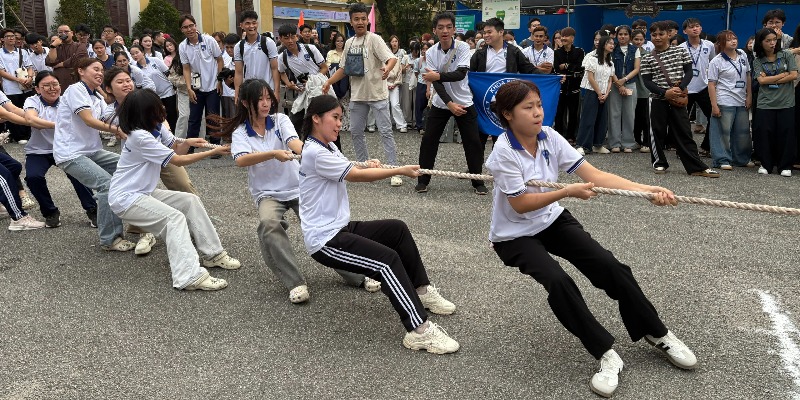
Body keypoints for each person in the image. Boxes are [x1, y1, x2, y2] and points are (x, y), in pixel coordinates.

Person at [486, 79, 697, 398]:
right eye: (527, 108)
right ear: (507, 115)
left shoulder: (550, 137)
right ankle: (605, 353)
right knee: (558, 281)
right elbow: (520, 203)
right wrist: (567, 191)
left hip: (551, 220)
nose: (537, 113)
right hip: (513, 235)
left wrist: (647, 191)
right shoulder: (503, 152)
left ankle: (657, 332)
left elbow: (595, 176)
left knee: (609, 266)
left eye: (539, 105)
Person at [298, 95, 459, 354]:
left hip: (340, 228)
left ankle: (422, 290)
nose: (340, 124)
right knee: (386, 261)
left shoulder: (326, 146)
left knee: (396, 229)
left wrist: (365, 163)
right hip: (325, 241)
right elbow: (357, 177)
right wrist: (398, 170)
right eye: (335, 118)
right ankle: (419, 330)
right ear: (316, 118)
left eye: (341, 118)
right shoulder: (315, 152)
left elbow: (349, 167)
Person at [220, 79, 378, 303]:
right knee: (268, 225)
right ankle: (295, 283)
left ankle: (357, 275)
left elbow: (296, 143)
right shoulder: (240, 133)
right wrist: (272, 154)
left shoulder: (280, 119)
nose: (266, 104)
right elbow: (241, 160)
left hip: (298, 188)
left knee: (328, 229)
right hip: (268, 194)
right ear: (246, 103)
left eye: (268, 98)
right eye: (260, 99)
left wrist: (322, 158)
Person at [109, 89, 239, 291]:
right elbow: (177, 161)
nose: (162, 108)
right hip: (126, 199)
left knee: (189, 201)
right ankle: (188, 276)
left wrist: (186, 142)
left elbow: (176, 150)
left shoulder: (156, 127)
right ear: (145, 112)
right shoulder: (139, 137)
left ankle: (213, 254)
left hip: (142, 193)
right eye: (156, 107)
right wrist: (213, 151)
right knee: (174, 218)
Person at [54, 58, 134, 251]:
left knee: (130, 167)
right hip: (71, 153)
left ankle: (137, 220)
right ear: (81, 71)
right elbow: (89, 120)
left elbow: (108, 116)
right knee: (106, 185)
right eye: (95, 69)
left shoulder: (97, 97)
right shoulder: (76, 90)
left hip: (92, 151)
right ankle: (110, 239)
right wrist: (117, 130)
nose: (100, 73)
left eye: (102, 70)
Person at [322, 3, 401, 187]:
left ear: (367, 20)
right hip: (357, 95)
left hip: (378, 94)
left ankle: (393, 170)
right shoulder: (348, 43)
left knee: (386, 132)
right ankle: (364, 169)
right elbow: (343, 69)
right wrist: (328, 81)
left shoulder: (375, 39)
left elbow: (391, 58)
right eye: (356, 19)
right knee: (356, 131)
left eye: (363, 19)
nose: (360, 22)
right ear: (351, 22)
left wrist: (387, 69)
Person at [414, 12, 491, 195]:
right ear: (434, 30)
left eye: (449, 27)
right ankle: (423, 179)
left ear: (454, 29)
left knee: (473, 142)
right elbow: (437, 84)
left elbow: (461, 74)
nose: (445, 31)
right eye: (440, 27)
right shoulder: (431, 52)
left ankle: (477, 181)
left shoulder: (463, 47)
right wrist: (449, 103)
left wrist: (437, 76)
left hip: (464, 101)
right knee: (429, 141)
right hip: (441, 103)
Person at [640, 21, 719, 177]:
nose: (657, 37)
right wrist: (664, 93)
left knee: (684, 132)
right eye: (654, 35)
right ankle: (659, 162)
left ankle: (696, 167)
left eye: (661, 34)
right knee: (656, 132)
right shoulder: (647, 58)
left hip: (679, 97)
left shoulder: (681, 52)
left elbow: (689, 72)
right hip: (657, 99)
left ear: (669, 35)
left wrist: (680, 88)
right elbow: (647, 81)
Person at [23, 70, 97, 228]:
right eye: (46, 86)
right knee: (33, 177)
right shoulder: (32, 101)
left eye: (55, 84)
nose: (52, 88)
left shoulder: (67, 100)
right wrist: (60, 126)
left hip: (66, 149)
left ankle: (93, 209)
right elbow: (31, 119)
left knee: (78, 174)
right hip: (39, 151)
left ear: (60, 86)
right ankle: (50, 212)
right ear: (37, 89)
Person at [752, 28, 798, 176]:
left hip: (786, 101)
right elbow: (761, 80)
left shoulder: (786, 54)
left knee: (786, 133)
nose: (772, 43)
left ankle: (785, 166)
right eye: (768, 41)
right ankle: (766, 164)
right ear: (761, 43)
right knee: (765, 133)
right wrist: (783, 74)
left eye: (774, 40)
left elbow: (793, 75)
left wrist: (773, 78)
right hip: (765, 102)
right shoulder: (758, 60)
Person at [707, 30, 753, 171]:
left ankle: (741, 159)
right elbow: (711, 84)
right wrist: (714, 105)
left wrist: (749, 95)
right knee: (722, 132)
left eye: (735, 38)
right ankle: (722, 159)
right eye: (729, 39)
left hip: (741, 100)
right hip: (724, 99)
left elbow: (748, 75)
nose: (733, 41)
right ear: (721, 43)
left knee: (742, 132)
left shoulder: (742, 54)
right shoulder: (717, 61)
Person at [178, 14, 223, 146]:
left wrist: (219, 81)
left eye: (191, 26)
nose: (189, 29)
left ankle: (215, 145)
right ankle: (190, 146)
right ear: (182, 30)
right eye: (185, 27)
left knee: (213, 117)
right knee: (193, 118)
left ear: (195, 25)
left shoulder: (209, 40)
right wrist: (189, 88)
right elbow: (186, 68)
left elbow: (219, 60)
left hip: (213, 86)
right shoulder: (182, 46)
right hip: (196, 87)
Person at [681, 18, 716, 155]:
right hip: (687, 88)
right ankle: (684, 149)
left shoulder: (709, 45)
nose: (695, 29)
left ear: (701, 28)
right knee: (682, 120)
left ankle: (706, 147)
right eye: (691, 27)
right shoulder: (681, 48)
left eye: (697, 26)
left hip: (704, 87)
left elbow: (713, 63)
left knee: (713, 117)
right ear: (685, 31)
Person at [575, 35, 615, 155]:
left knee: (602, 120)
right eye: (610, 43)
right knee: (588, 118)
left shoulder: (610, 63)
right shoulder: (592, 59)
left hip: (604, 94)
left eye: (613, 43)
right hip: (592, 92)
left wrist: (606, 93)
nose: (612, 45)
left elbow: (610, 80)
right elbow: (590, 78)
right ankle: (581, 145)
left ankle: (598, 144)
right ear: (603, 45)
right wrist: (599, 93)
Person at [607, 25, 641, 153]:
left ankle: (628, 143)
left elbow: (637, 68)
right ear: (616, 36)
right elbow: (609, 67)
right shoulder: (612, 48)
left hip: (630, 83)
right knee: (614, 113)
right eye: (620, 34)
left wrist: (625, 80)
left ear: (630, 36)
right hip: (614, 84)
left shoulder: (635, 49)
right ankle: (614, 143)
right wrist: (619, 84)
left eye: (625, 34)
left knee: (629, 114)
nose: (623, 36)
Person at [234, 11, 280, 101]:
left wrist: (276, 92)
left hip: (267, 91)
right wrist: (237, 93)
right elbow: (238, 72)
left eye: (254, 23)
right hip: (249, 92)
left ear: (257, 24)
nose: (251, 26)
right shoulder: (239, 46)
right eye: (247, 23)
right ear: (241, 25)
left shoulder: (268, 43)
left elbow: (275, 68)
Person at [130, 45, 177, 131]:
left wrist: (174, 86)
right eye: (132, 54)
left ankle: (175, 136)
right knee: (159, 117)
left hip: (168, 91)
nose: (135, 55)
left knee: (172, 115)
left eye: (137, 52)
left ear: (143, 52)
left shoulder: (155, 60)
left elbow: (167, 73)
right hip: (153, 97)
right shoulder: (135, 69)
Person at [0, 28, 34, 144]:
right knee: (13, 110)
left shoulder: (22, 52)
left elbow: (30, 66)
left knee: (27, 108)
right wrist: (17, 79)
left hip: (26, 86)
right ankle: (19, 136)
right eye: (8, 36)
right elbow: (2, 71)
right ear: (2, 39)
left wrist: (29, 78)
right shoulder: (0, 53)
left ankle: (30, 133)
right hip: (10, 88)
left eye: (13, 36)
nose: (11, 38)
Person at [554, 27, 585, 144]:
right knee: (559, 113)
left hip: (574, 88)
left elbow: (579, 67)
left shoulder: (579, 51)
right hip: (560, 88)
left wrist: (566, 66)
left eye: (566, 36)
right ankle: (559, 135)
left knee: (573, 113)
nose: (563, 38)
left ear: (572, 38)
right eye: (562, 36)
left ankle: (571, 136)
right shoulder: (557, 53)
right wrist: (570, 67)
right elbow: (556, 68)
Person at [631, 29, 651, 153]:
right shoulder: (629, 53)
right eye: (636, 39)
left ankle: (647, 142)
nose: (638, 42)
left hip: (644, 90)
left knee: (645, 117)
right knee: (634, 117)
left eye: (641, 39)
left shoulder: (647, 54)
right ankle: (636, 140)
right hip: (631, 88)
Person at [325, 32, 350, 131]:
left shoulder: (346, 52)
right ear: (334, 42)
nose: (340, 43)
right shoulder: (330, 53)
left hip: (345, 77)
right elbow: (328, 65)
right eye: (338, 41)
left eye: (341, 41)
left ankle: (346, 124)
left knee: (344, 95)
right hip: (333, 76)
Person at [387, 35, 408, 132]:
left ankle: (401, 124)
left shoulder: (402, 53)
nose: (394, 43)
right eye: (392, 41)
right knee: (384, 105)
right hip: (385, 83)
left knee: (395, 104)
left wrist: (395, 83)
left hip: (396, 82)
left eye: (396, 41)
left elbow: (400, 71)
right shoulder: (386, 54)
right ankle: (386, 124)